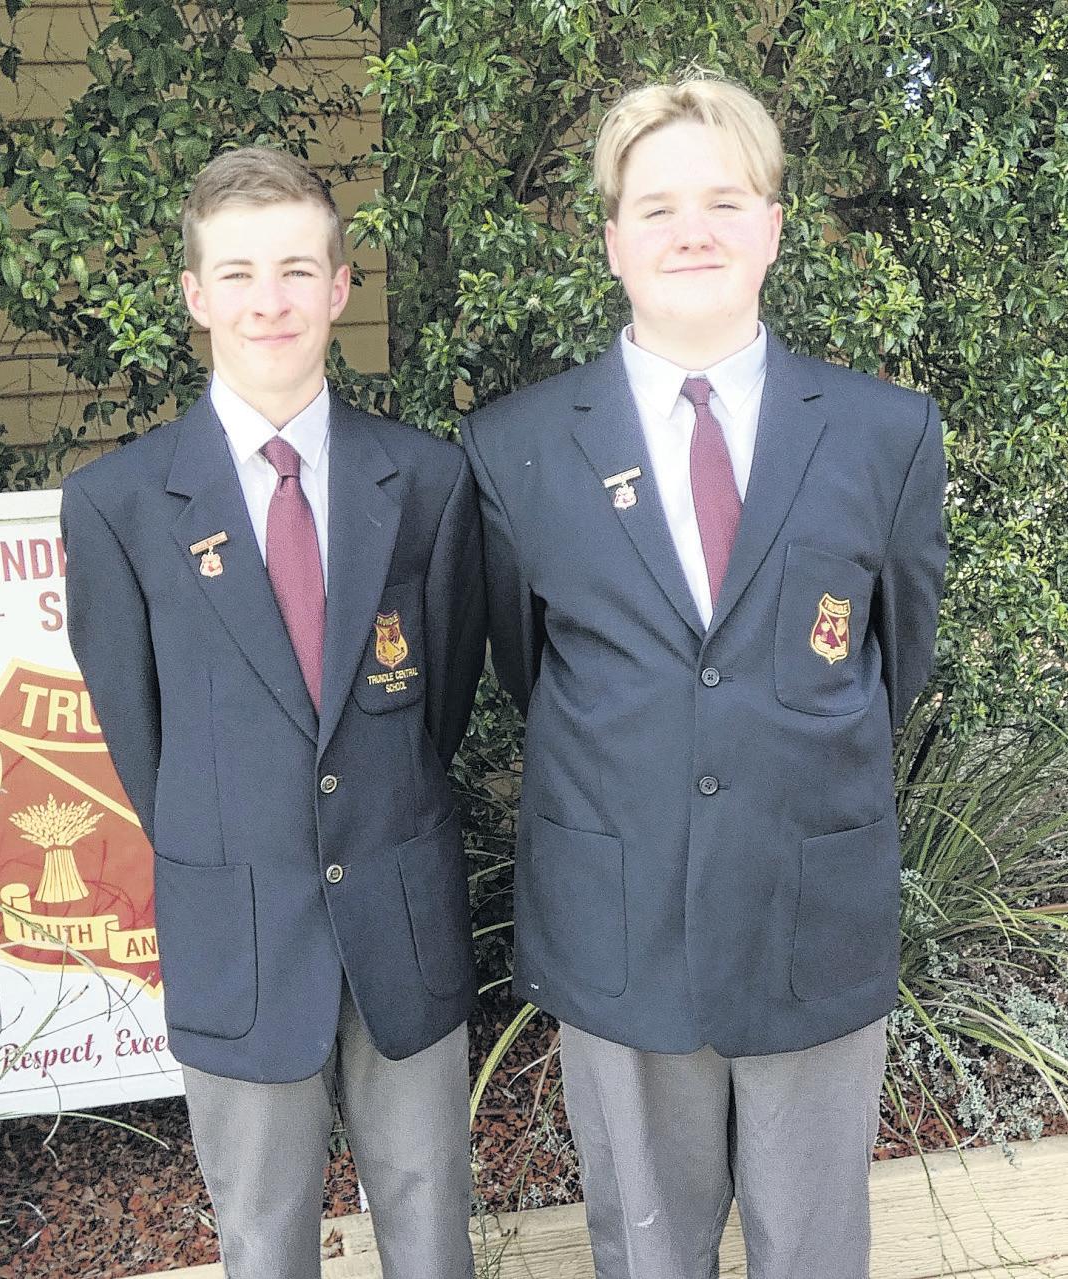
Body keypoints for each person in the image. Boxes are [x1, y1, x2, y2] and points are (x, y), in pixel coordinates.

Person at [460, 73, 947, 1279]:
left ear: (772, 226)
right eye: (658, 206)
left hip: (810, 913)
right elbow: (532, 668)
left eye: (724, 201)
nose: (693, 230)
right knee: (645, 1252)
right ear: (611, 239)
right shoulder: (517, 447)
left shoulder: (885, 434)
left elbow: (895, 660)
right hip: (616, 916)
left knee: (813, 1250)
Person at [62, 146, 485, 1279]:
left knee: (432, 1228)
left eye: (297, 270)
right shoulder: (118, 505)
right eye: (238, 273)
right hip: (239, 935)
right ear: (195, 296)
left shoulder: (425, 482)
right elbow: (141, 740)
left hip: (400, 919)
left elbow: (436, 707)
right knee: (260, 1240)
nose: (270, 300)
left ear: (339, 287)